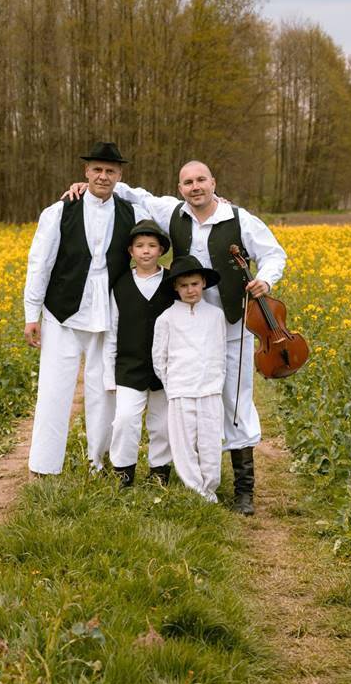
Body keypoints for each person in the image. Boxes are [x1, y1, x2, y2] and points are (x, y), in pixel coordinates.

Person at [65, 160, 286, 513]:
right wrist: (90, 185)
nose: (195, 187)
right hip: (184, 330)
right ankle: (186, 472)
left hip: (230, 326)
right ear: (180, 187)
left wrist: (267, 279)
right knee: (181, 404)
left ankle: (244, 490)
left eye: (201, 180)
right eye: (188, 182)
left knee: (234, 403)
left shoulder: (240, 219)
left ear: (213, 182)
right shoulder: (171, 212)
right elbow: (135, 192)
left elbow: (274, 254)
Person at [23, 142, 147, 475]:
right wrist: (31, 315)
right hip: (61, 312)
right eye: (97, 170)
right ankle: (44, 465)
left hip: (107, 313)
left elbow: (171, 213)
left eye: (110, 171)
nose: (103, 176)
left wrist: (217, 201)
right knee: (53, 389)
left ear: (120, 176)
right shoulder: (59, 211)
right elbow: (40, 263)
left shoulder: (132, 212)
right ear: (85, 172)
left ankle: (97, 461)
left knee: (103, 391)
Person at [103, 219, 174, 487]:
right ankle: (123, 471)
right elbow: (112, 331)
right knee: (124, 419)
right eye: (140, 246)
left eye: (152, 246)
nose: (146, 251)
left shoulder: (171, 283)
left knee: (163, 423)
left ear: (161, 250)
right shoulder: (120, 285)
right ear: (131, 251)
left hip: (164, 369)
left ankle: (160, 470)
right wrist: (110, 375)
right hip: (129, 367)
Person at [152, 255, 227, 503]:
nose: (190, 290)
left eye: (194, 284)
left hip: (209, 389)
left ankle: (210, 486)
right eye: (183, 285)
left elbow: (220, 353)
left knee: (210, 442)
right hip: (180, 389)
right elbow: (159, 358)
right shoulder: (166, 318)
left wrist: (215, 382)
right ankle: (195, 490)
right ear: (175, 288)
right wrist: (173, 385)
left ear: (203, 283)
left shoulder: (215, 316)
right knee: (183, 444)